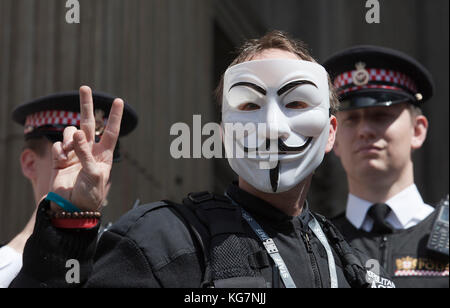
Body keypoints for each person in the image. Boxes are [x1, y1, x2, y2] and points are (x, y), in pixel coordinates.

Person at [10, 31, 394, 288]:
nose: (273, 126)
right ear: (224, 132)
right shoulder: (163, 242)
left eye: (296, 103)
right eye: (249, 104)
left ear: (330, 133)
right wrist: (67, 226)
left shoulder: (350, 266)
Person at [324, 45, 449, 288]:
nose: (364, 131)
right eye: (351, 119)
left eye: (380, 115)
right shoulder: (317, 245)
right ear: (333, 137)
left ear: (417, 130)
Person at [0, 91, 138, 288]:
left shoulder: (127, 268)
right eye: (79, 158)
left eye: (104, 165)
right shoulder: (3, 268)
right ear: (30, 163)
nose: (96, 176)